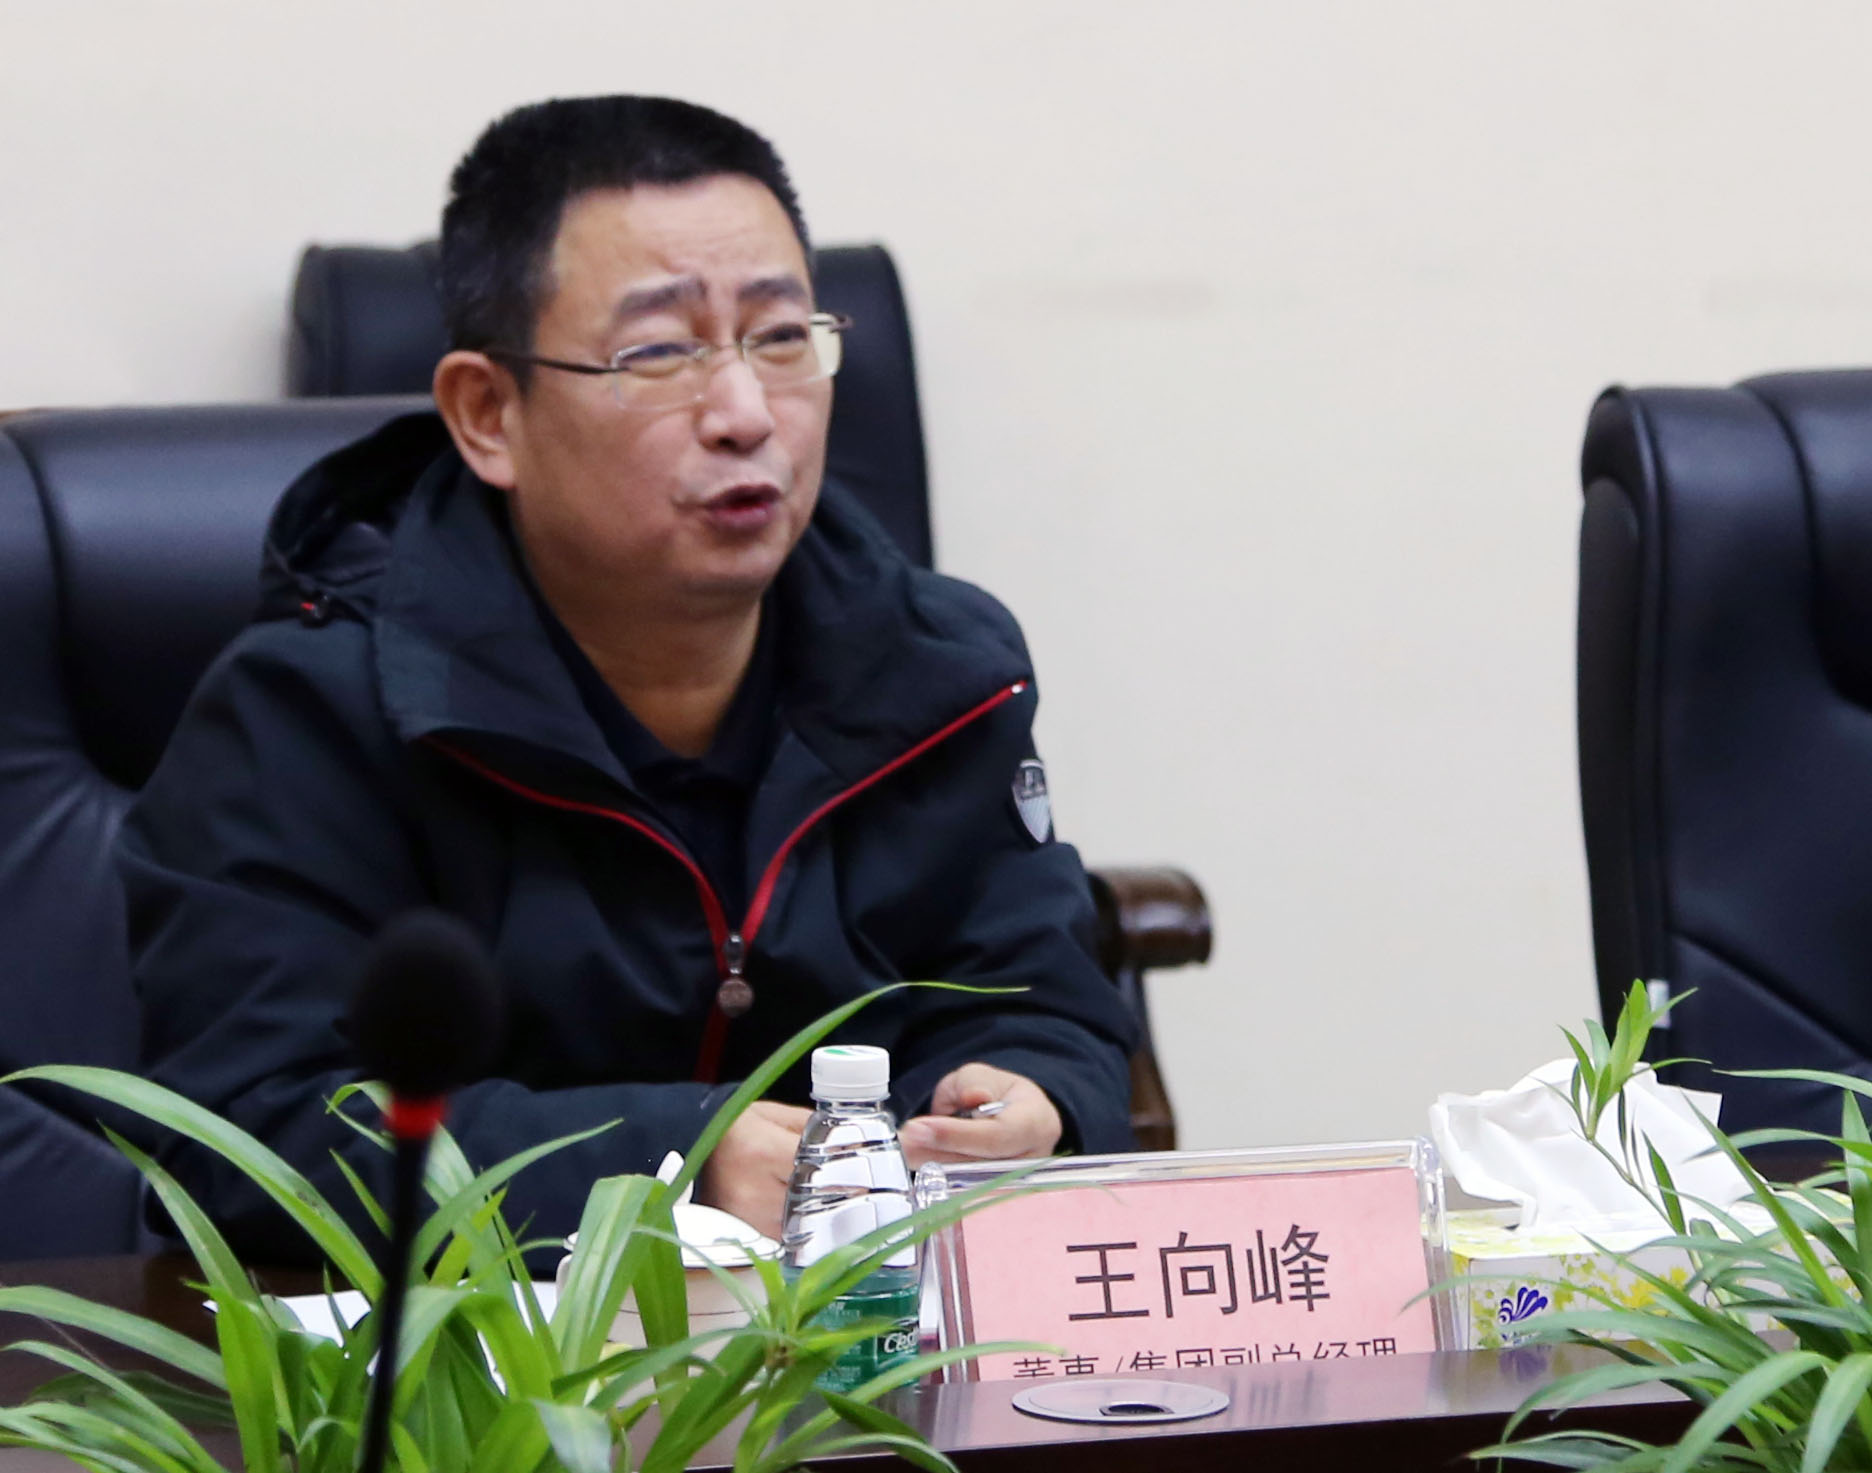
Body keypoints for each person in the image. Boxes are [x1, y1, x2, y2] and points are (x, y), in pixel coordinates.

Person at [123, 95, 1135, 1261]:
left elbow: (1046, 1004)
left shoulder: (941, 674)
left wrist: (1036, 1097)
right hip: (478, 1364)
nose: (746, 414)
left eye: (782, 338)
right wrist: (672, 1163)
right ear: (488, 414)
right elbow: (250, 1134)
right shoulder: (307, 714)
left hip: (869, 1339)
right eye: (659, 353)